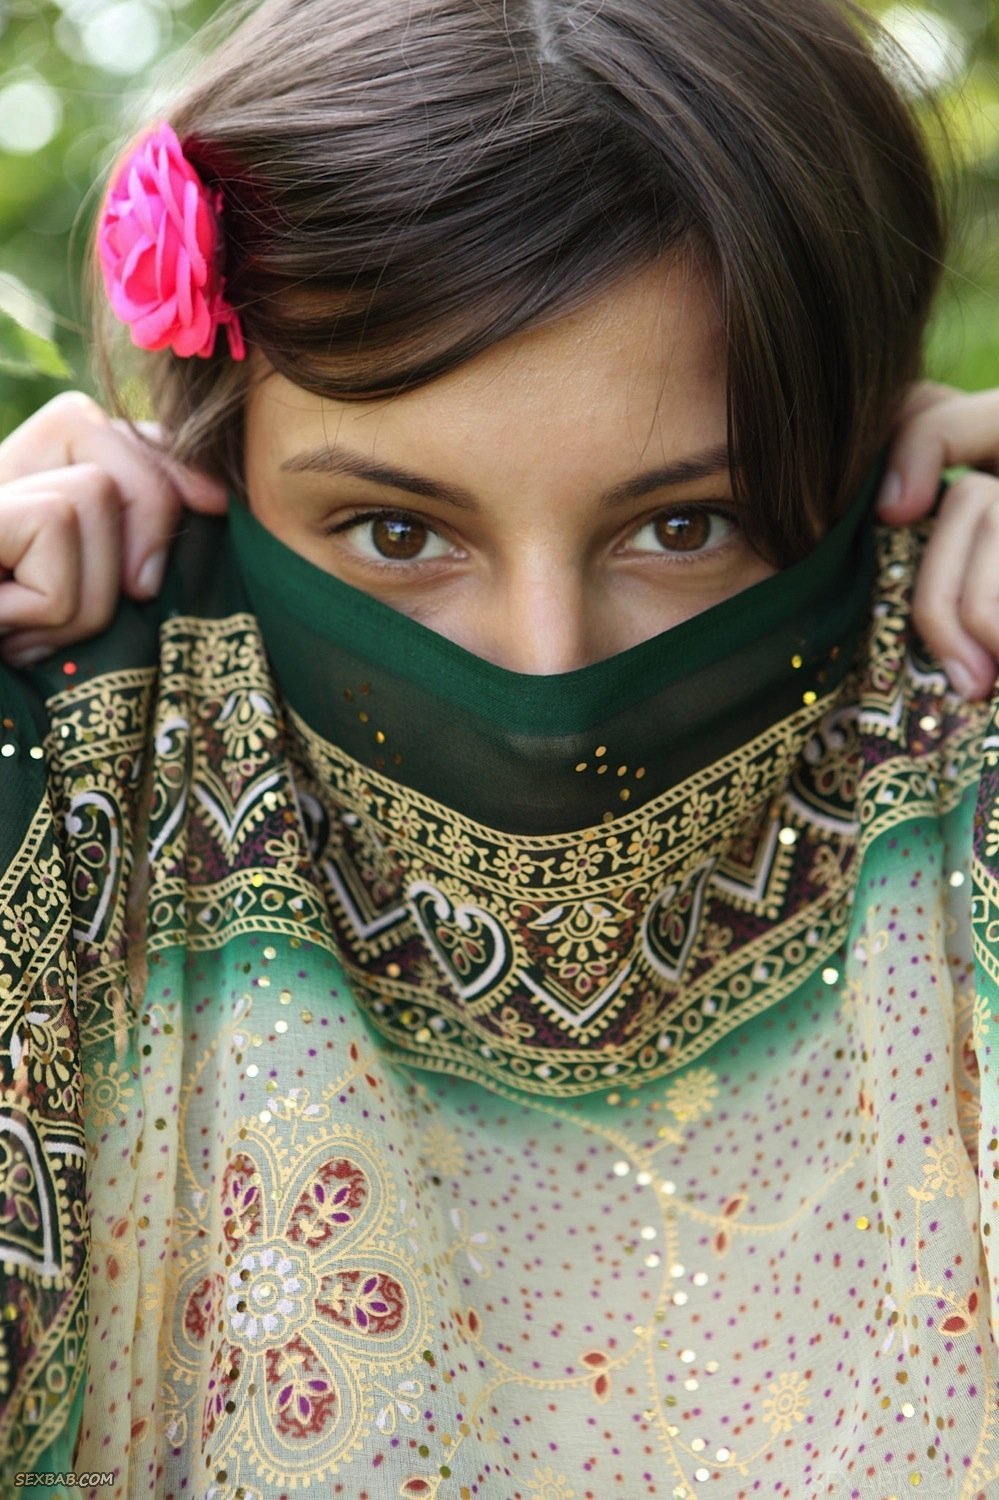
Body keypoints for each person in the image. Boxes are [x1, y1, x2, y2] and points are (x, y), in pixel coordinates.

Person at [1, 1, 998, 1496]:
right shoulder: (78, 782)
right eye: (398, 533)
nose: (546, 670)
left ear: (862, 471)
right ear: (216, 466)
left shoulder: (959, 735)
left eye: (686, 525)